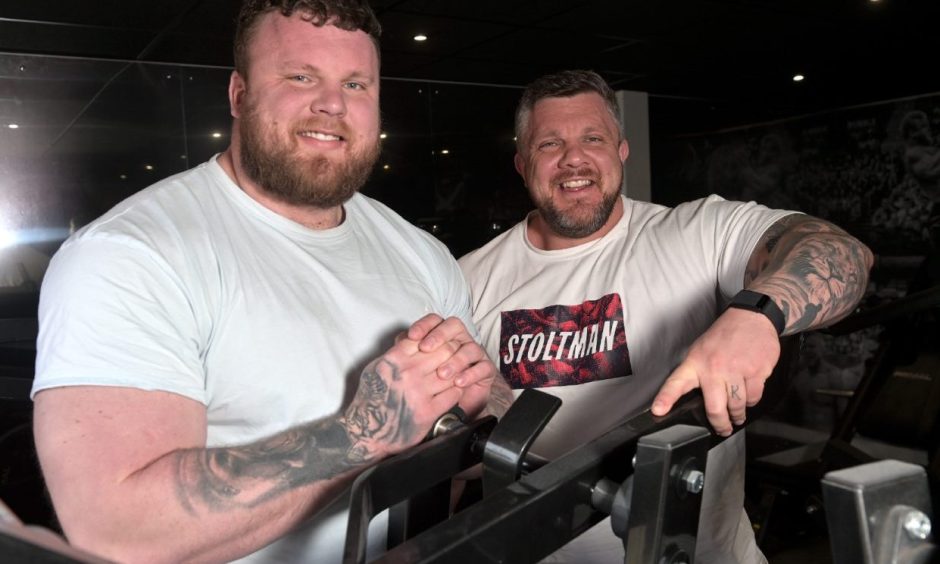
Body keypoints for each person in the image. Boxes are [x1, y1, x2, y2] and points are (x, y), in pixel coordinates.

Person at [30, 1, 502, 562]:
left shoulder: (420, 252)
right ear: (239, 94)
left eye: (356, 84)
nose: (331, 103)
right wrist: (362, 432)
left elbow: (481, 425)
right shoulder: (131, 256)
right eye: (301, 76)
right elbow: (118, 531)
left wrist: (477, 413)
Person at [458, 69, 873, 563]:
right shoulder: (468, 280)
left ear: (621, 151)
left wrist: (758, 314)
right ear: (523, 164)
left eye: (593, 138)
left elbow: (841, 252)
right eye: (550, 144)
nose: (574, 158)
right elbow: (463, 449)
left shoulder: (697, 233)